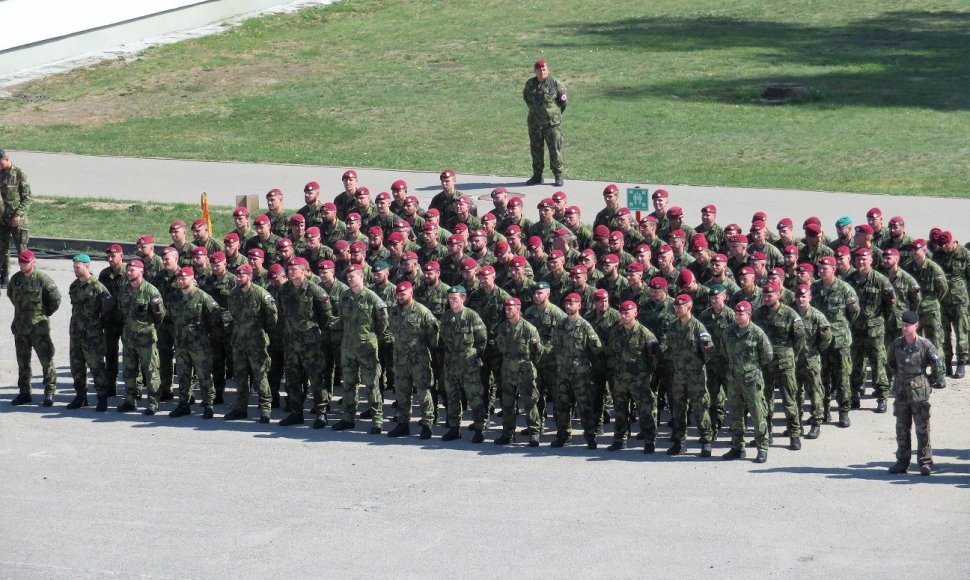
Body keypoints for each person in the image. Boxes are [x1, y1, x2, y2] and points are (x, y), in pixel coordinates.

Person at [333, 264, 390, 434]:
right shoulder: (344, 297)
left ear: (362, 277)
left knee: (372, 385)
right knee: (349, 385)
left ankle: (377, 420)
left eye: (353, 277)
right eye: (348, 278)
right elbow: (342, 320)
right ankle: (348, 418)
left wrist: (370, 337)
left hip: (367, 348)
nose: (350, 280)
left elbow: (382, 325)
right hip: (348, 348)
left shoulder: (373, 299)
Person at [887, 311, 945, 476]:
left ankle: (925, 462)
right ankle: (902, 461)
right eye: (903, 325)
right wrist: (898, 378)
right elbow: (890, 364)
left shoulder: (925, 345)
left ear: (916, 326)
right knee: (902, 428)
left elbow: (937, 364)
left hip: (919, 393)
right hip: (901, 393)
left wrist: (931, 381)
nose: (904, 328)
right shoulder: (896, 345)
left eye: (908, 325)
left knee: (922, 429)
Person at [386, 281, 439, 439]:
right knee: (402, 392)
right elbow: (390, 331)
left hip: (419, 360)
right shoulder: (394, 312)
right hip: (400, 359)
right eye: (398, 294)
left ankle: (427, 423)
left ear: (411, 293)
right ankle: (403, 424)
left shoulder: (422, 311)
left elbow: (434, 335)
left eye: (403, 294)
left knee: (423, 392)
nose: (400, 297)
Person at [722, 301, 774, 463]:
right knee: (736, 414)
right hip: (734, 379)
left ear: (749, 315)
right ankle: (738, 447)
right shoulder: (728, 331)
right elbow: (725, 351)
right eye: (736, 314)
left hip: (752, 381)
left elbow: (767, 355)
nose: (738, 317)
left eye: (741, 314)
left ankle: (762, 448)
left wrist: (751, 368)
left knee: (758, 414)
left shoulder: (757, 333)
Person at [225, 264, 277, 423]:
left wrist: (262, 332)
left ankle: (265, 408)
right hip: (239, 342)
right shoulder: (233, 294)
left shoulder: (260, 293)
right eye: (237, 276)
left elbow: (272, 316)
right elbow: (231, 314)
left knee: (260, 376)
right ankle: (241, 408)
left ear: (250, 276)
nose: (238, 278)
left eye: (242, 276)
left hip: (256, 343)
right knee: (240, 377)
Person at [7, 249, 60, 406]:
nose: (23, 266)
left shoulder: (42, 279)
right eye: (21, 263)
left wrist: (44, 314)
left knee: (46, 360)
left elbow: (55, 299)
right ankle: (24, 392)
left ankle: (49, 392)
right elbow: (11, 296)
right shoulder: (15, 279)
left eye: (26, 263)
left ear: (33, 261)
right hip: (20, 328)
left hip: (38, 329)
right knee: (23, 362)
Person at [167, 267, 221, 419]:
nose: (181, 280)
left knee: (204, 374)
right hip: (181, 343)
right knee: (183, 375)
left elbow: (215, 317)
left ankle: (208, 403)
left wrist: (205, 334)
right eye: (179, 278)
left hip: (199, 344)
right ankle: (183, 403)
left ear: (192, 279)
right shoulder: (175, 296)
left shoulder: (203, 297)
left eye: (184, 278)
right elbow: (171, 316)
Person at [551, 293, 603, 448]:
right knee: (562, 406)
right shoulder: (560, 325)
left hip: (580, 374)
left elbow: (597, 347)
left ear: (579, 306)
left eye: (572, 304)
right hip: (562, 372)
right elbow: (555, 345)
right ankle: (564, 436)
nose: (568, 306)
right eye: (566, 303)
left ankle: (590, 437)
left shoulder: (585, 326)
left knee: (584, 406)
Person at [439, 285, 489, 442]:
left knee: (474, 397)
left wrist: (473, 356)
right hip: (451, 364)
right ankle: (454, 428)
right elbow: (442, 341)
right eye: (450, 298)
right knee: (452, 397)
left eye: (455, 298)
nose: (452, 301)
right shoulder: (446, 317)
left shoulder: (472, 316)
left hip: (468, 364)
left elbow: (482, 340)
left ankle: (479, 428)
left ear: (463, 298)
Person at [116, 259, 165, 415]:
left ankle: (153, 402)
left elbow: (159, 316)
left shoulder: (151, 291)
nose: (128, 272)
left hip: (146, 339)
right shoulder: (124, 290)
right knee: (129, 370)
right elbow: (121, 310)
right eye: (128, 270)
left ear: (141, 271)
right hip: (129, 337)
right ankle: (130, 400)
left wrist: (147, 328)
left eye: (132, 270)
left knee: (150, 371)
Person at [493, 297, 543, 446]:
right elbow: (500, 347)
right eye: (506, 308)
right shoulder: (502, 328)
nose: (508, 311)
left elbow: (538, 353)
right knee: (507, 405)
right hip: (508, 371)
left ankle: (534, 433)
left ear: (518, 309)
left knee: (530, 403)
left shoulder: (529, 329)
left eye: (511, 308)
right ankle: (508, 434)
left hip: (525, 372)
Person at [67, 253, 112, 411]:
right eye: (74, 267)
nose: (75, 269)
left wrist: (97, 326)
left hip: (92, 336)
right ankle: (80, 396)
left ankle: (102, 398)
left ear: (87, 267)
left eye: (77, 267)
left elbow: (107, 311)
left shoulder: (98, 288)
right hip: (76, 334)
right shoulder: (74, 286)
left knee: (97, 367)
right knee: (76, 367)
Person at [523, 58, 567, 186]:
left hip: (551, 124)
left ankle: (558, 175)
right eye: (539, 70)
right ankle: (537, 176)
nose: (542, 72)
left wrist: (554, 114)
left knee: (554, 149)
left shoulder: (555, 83)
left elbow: (563, 102)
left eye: (544, 69)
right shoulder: (530, 84)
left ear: (547, 70)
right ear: (535, 71)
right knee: (536, 150)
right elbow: (526, 98)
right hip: (534, 124)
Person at [0, 150, 31, 289]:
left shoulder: (19, 173)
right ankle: (4, 276)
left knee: (22, 251)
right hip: (3, 220)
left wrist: (18, 215)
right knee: (3, 249)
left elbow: (27, 199)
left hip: (18, 221)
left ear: (6, 158)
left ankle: (26, 278)